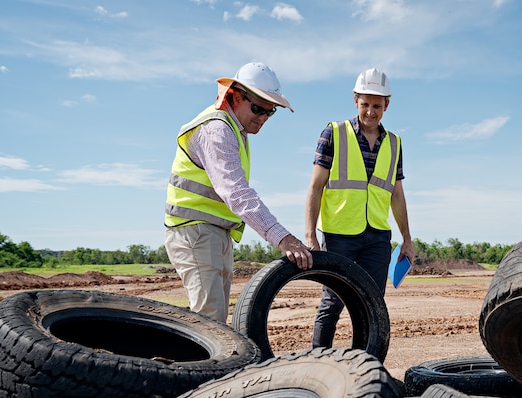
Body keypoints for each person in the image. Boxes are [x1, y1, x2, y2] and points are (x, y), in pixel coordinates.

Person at [165, 62, 313, 324]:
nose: (263, 118)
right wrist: (284, 239)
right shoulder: (217, 129)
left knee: (215, 322)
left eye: (270, 112)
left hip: (214, 232)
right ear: (234, 95)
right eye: (257, 108)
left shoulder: (236, 130)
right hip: (196, 231)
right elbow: (236, 193)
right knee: (209, 321)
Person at [304, 67, 414, 348]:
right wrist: (310, 234)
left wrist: (407, 239)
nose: (370, 111)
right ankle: (318, 362)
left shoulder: (394, 143)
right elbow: (316, 186)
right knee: (332, 303)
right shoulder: (334, 133)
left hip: (377, 236)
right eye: (365, 104)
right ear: (356, 102)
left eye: (377, 105)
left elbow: (397, 195)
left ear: (386, 105)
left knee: (372, 305)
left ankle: (366, 367)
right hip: (340, 234)